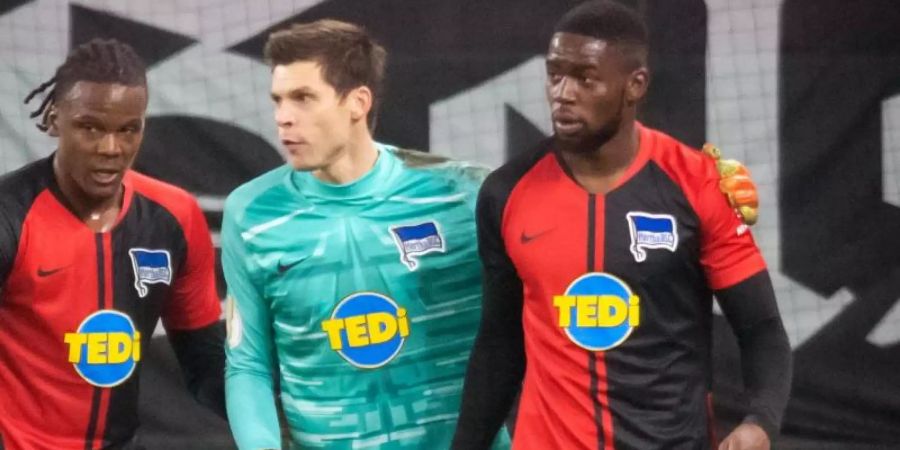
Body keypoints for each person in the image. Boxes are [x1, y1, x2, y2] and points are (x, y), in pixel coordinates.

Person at [452, 2, 791, 450]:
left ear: (635, 85)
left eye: (586, 78)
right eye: (555, 74)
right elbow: (499, 342)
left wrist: (760, 421)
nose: (563, 93)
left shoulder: (699, 185)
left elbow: (761, 327)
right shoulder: (505, 193)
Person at [220, 19, 511, 450]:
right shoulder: (252, 212)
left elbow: (518, 336)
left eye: (303, 98)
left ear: (357, 102)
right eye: (278, 100)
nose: (283, 117)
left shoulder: (464, 195)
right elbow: (248, 366)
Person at [0, 38, 225, 449]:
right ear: (53, 120)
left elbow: (205, 362)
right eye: (90, 127)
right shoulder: (9, 215)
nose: (111, 149)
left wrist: (279, 418)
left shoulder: (174, 217)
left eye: (128, 130)